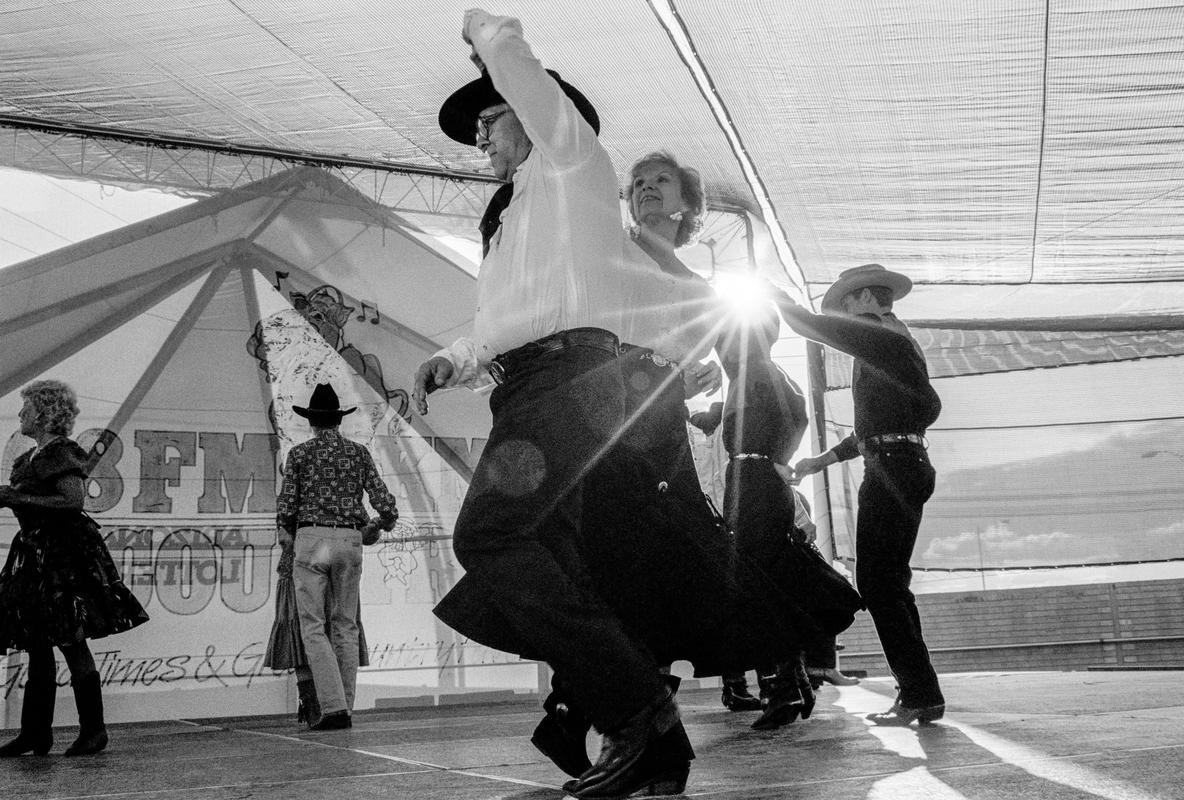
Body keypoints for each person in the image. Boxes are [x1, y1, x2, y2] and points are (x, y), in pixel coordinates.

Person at [415, 11, 691, 798]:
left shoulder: (573, 163)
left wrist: (484, 34)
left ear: (531, 112)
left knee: (491, 534)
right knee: (562, 559)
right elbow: (511, 320)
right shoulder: (509, 218)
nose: (480, 136)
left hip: (570, 382)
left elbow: (519, 69)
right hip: (531, 385)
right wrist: (453, 359)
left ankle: (642, 711)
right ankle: (643, 743)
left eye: (489, 117)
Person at [768, 263, 945, 726]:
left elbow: (806, 324)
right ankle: (922, 691)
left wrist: (774, 295)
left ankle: (919, 691)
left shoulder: (876, 333)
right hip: (904, 463)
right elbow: (888, 422)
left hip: (892, 469)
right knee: (891, 584)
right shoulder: (895, 341)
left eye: (845, 305)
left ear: (864, 299)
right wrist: (818, 463)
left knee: (878, 585)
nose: (844, 315)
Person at [0, 380, 149, 757]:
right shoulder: (33, 456)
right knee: (38, 641)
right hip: (37, 553)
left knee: (69, 638)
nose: (21, 414)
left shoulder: (61, 452)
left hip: (62, 556)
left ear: (45, 413)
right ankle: (35, 732)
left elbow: (73, 500)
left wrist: (17, 497)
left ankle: (93, 730)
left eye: (27, 408)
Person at [276, 383, 398, 731]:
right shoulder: (358, 453)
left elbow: (286, 507)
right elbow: (384, 502)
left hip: (312, 538)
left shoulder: (299, 455)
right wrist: (381, 523)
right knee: (345, 625)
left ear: (312, 422)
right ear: (339, 421)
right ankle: (346, 706)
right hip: (349, 539)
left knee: (313, 627)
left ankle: (332, 708)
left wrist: (289, 528)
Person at [263, 541, 372, 727]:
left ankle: (318, 706)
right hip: (328, 564)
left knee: (307, 630)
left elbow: (286, 534)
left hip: (307, 563)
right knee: (332, 631)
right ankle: (332, 707)